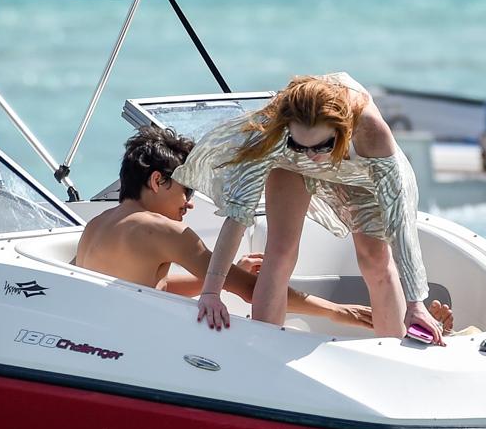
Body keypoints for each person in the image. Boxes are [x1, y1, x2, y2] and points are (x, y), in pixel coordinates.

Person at [75, 126, 453, 332]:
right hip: (144, 343)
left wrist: (227, 271)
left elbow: (143, 288)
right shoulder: (162, 230)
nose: (189, 204)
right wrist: (344, 313)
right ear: (158, 181)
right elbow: (256, 291)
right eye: (186, 190)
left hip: (103, 335)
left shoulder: (94, 228)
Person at [173, 72, 446, 344]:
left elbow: (399, 222)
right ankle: (263, 345)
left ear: (342, 129)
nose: (312, 156)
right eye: (299, 144)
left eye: (321, 145)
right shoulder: (275, 130)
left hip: (360, 172)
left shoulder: (370, 131)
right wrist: (211, 292)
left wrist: (416, 302)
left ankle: (393, 350)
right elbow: (238, 215)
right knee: (279, 252)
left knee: (375, 259)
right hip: (290, 164)